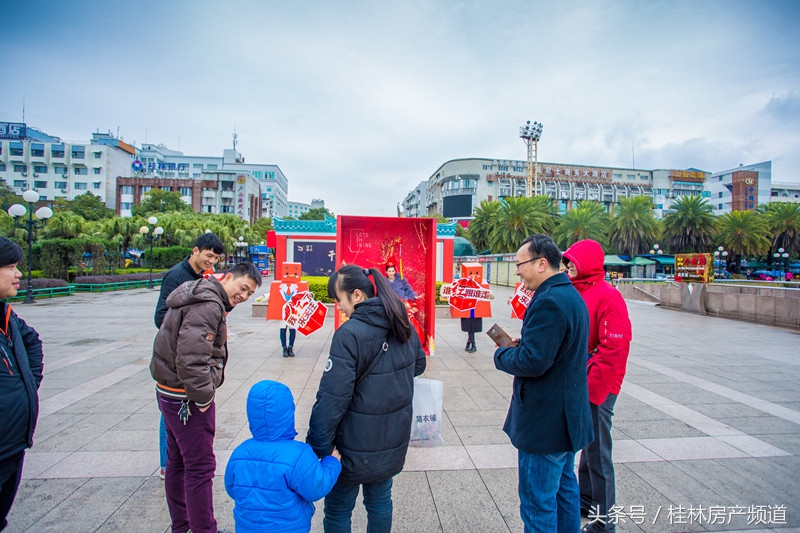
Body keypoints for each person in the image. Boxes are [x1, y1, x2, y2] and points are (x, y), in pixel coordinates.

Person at [307, 265, 427, 533]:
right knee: (381, 502)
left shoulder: (349, 334)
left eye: (338, 299)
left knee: (338, 509)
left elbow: (332, 397)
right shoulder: (402, 321)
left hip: (350, 444)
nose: (337, 306)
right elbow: (418, 365)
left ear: (357, 295)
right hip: (391, 438)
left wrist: (319, 445)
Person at [150, 262, 262, 533]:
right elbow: (191, 360)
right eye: (242, 288)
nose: (244, 296)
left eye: (249, 294)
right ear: (227, 277)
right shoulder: (210, 305)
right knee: (200, 467)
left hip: (168, 390)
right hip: (185, 398)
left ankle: (183, 525)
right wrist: (203, 399)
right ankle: (204, 529)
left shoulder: (197, 291)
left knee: (177, 462)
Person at [494, 234, 593, 533]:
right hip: (566, 420)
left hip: (546, 424)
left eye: (520, 264)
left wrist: (503, 355)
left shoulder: (548, 301)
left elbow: (532, 362)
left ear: (541, 263)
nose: (517, 271)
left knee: (538, 504)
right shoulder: (569, 294)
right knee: (564, 492)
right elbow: (554, 349)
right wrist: (527, 343)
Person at [563, 240, 632, 533]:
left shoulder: (608, 296)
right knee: (586, 445)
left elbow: (614, 349)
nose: (567, 268)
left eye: (571, 263)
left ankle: (604, 522)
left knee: (598, 453)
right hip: (583, 381)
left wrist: (593, 390)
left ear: (587, 263)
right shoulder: (579, 291)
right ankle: (585, 499)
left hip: (599, 385)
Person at [225, 380, 342, 533]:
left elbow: (231, 489)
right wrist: (332, 463)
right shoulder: (298, 454)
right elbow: (315, 488)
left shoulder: (239, 453)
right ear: (288, 413)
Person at [154, 232, 224, 479]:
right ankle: (166, 464)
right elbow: (160, 317)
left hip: (190, 357)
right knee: (170, 416)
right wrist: (189, 330)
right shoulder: (176, 276)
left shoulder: (201, 277)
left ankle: (174, 463)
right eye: (208, 256)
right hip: (173, 361)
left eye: (215, 258)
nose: (211, 262)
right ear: (195, 250)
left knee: (179, 417)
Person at [0, 237, 44, 532]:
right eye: (11, 267)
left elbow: (32, 341)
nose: (18, 274)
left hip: (13, 442)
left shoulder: (7, 315)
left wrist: (27, 384)